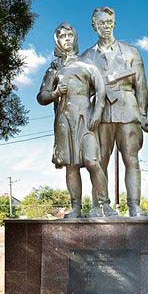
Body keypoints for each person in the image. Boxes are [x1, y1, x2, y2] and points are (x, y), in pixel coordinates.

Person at [37, 22, 117, 219]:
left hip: (86, 117)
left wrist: (97, 113)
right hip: (64, 119)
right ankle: (76, 207)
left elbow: (100, 90)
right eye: (62, 36)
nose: (66, 39)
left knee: (92, 161)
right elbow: (42, 97)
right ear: (57, 41)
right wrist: (55, 93)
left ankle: (104, 205)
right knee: (71, 164)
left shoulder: (87, 65)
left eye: (69, 35)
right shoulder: (53, 69)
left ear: (75, 39)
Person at [81, 6, 148, 219]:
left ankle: (135, 206)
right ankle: (98, 206)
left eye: (109, 22)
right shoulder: (86, 57)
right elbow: (83, 91)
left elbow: (141, 86)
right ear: (94, 25)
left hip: (127, 109)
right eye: (101, 23)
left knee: (131, 159)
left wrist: (143, 114)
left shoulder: (131, 52)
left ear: (114, 23)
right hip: (99, 114)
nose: (106, 26)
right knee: (99, 160)